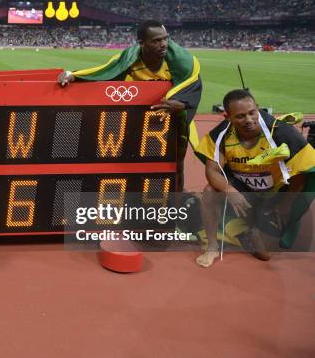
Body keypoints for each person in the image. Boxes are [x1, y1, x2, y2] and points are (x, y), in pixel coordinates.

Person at [58, 20, 202, 190]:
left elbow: (193, 84)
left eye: (165, 39)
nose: (163, 44)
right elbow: (106, 72)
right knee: (136, 162)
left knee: (177, 164)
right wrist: (74, 76)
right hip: (142, 120)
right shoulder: (129, 59)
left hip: (174, 117)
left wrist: (181, 104)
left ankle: (177, 204)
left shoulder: (181, 61)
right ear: (142, 43)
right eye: (156, 41)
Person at [194, 89, 315, 267]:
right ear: (227, 116)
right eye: (240, 116)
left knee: (264, 254)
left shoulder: (282, 133)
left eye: (252, 113)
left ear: (258, 108)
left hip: (278, 192)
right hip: (245, 187)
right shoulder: (220, 135)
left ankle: (273, 223)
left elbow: (300, 175)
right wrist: (229, 190)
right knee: (210, 191)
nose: (249, 120)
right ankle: (212, 246)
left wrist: (285, 204)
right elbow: (212, 170)